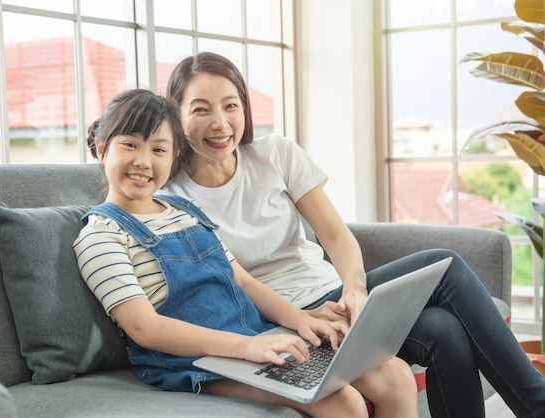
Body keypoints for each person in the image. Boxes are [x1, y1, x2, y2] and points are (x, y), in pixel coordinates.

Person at [162, 51, 545, 418]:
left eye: (231, 105)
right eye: (201, 109)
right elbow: (230, 285)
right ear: (176, 117)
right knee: (445, 274)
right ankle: (537, 404)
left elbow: (336, 235)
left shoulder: (275, 154)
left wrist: (354, 290)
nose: (220, 122)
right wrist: (300, 317)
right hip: (282, 320)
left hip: (333, 299)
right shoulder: (170, 199)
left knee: (445, 329)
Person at [75, 88, 419, 418]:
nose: (143, 161)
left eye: (159, 150)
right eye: (130, 145)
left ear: (174, 156)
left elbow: (243, 280)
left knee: (395, 376)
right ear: (102, 148)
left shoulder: (185, 210)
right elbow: (145, 329)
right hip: (193, 360)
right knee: (342, 402)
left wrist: (302, 319)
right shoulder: (101, 236)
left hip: (253, 337)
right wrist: (246, 348)